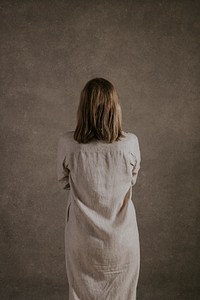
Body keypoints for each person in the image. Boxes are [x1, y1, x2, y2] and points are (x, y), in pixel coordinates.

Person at [56, 78, 141, 300]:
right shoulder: (130, 144)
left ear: (83, 108)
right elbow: (132, 179)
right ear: (115, 108)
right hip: (122, 242)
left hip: (82, 240)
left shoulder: (68, 144)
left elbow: (63, 179)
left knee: (80, 295)